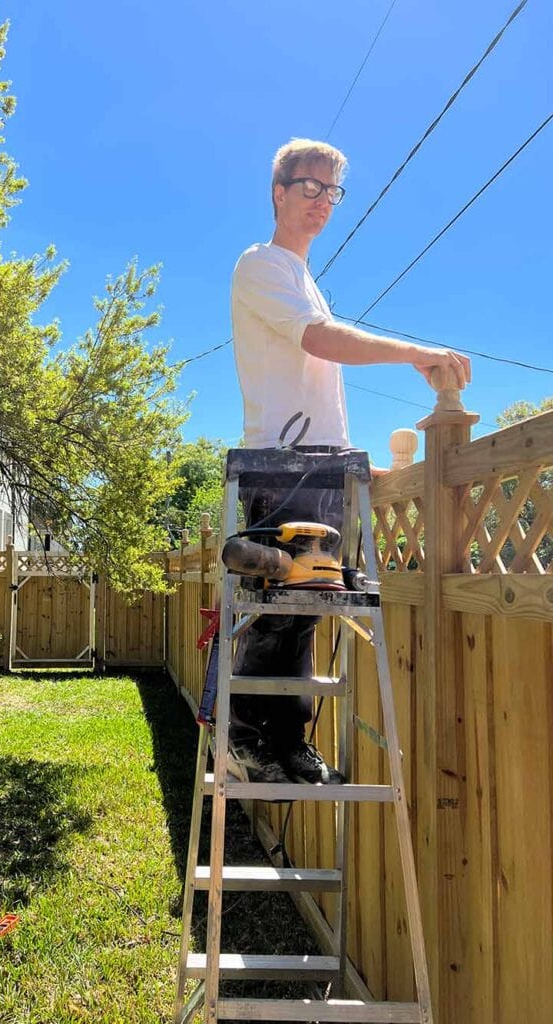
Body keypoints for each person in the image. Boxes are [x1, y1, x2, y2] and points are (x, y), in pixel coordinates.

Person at [229, 138, 471, 785]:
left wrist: (359, 466)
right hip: (286, 466)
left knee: (305, 615)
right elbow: (320, 340)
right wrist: (415, 354)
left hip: (322, 466)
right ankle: (247, 735)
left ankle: (285, 742)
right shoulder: (264, 265)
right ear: (278, 192)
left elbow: (317, 366)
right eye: (310, 187)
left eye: (332, 191)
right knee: (291, 604)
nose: (323, 202)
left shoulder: (304, 280)